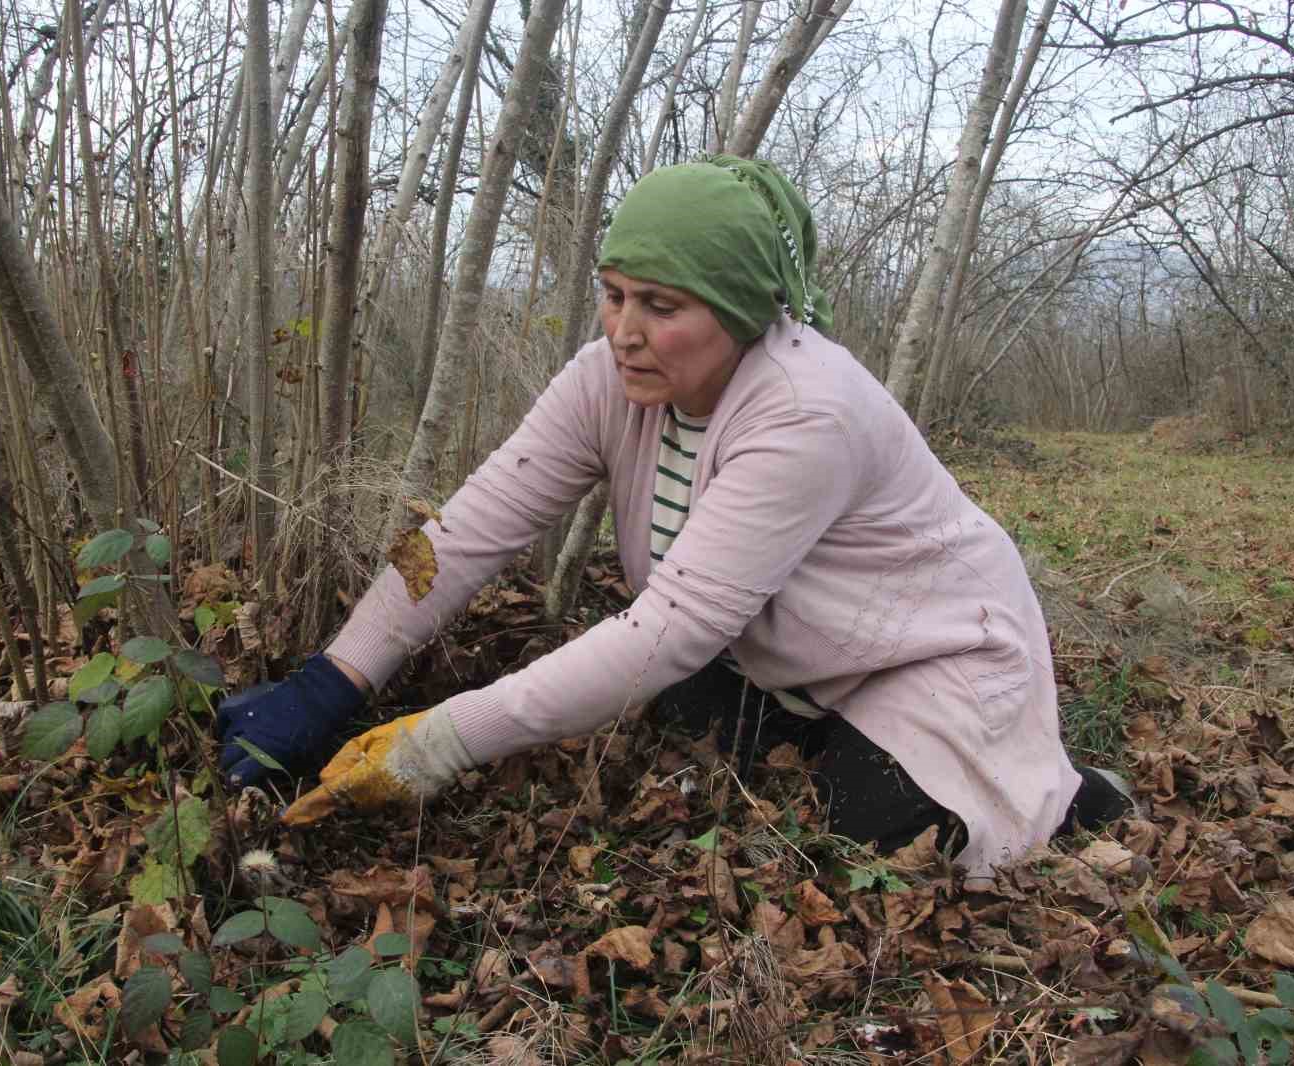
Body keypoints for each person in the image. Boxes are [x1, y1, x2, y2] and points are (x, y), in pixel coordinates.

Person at [216, 156, 1130, 881]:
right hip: (791, 653)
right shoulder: (605, 380)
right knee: (676, 725)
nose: (625, 329)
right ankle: (833, 735)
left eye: (662, 305)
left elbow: (666, 633)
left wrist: (439, 741)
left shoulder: (806, 410)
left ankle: (1061, 792)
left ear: (736, 312)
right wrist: (333, 678)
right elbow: (468, 529)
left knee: (878, 833)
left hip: (930, 650)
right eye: (615, 294)